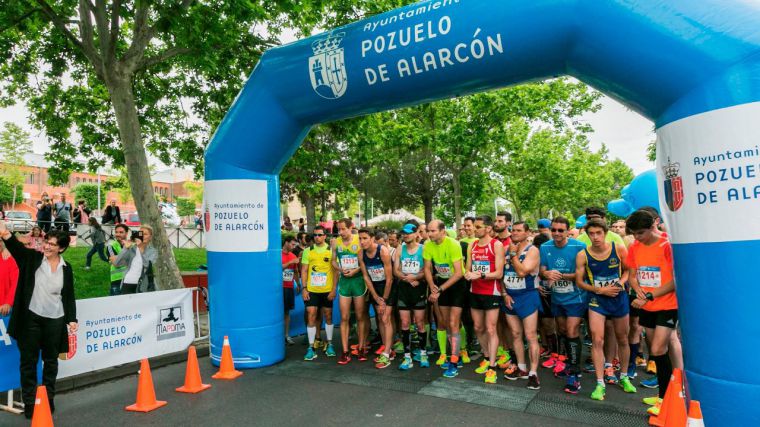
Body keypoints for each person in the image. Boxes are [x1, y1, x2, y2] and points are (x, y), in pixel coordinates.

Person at [0, 223, 77, 420]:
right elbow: (17, 249)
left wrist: (72, 319)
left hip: (55, 320)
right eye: (46, 242)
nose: (47, 246)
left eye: (52, 244)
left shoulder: (66, 268)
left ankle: (48, 400)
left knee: (50, 362)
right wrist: (6, 234)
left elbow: (68, 296)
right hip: (31, 319)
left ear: (61, 248)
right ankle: (29, 403)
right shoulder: (33, 259)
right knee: (28, 362)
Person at [575, 219, 637, 400]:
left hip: (618, 298)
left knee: (623, 339)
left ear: (605, 233)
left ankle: (624, 376)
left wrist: (620, 283)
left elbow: (628, 271)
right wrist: (599, 289)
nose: (595, 237)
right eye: (591, 234)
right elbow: (579, 281)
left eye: (598, 233)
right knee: (597, 339)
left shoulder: (618, 248)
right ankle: (600, 383)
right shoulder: (583, 255)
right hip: (597, 300)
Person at [625, 210, 679, 416]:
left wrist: (648, 295)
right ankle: (662, 395)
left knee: (657, 349)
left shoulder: (666, 245)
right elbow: (632, 275)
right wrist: (637, 289)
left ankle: (666, 398)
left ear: (652, 227)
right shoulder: (634, 246)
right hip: (646, 305)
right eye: (634, 233)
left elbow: (675, 281)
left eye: (640, 233)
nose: (637, 237)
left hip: (667, 305)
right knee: (653, 350)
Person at [540, 216, 587, 394]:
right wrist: (547, 274)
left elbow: (581, 275)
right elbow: (542, 271)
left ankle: (574, 374)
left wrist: (558, 275)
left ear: (568, 231)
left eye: (561, 230)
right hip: (557, 297)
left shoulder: (579, 247)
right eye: (554, 230)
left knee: (572, 330)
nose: (557, 233)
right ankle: (568, 361)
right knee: (562, 331)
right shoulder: (545, 247)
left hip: (576, 297)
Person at [463, 215, 505, 384]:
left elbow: (499, 273)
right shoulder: (472, 245)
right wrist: (468, 274)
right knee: (479, 327)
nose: (475, 229)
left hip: (491, 291)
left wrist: (479, 274)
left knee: (490, 328)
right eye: (475, 226)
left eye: (478, 226)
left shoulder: (497, 245)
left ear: (488, 228)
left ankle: (492, 367)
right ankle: (487, 357)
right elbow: (468, 268)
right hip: (475, 290)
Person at [502, 222, 542, 390]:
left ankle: (533, 373)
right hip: (510, 296)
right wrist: (504, 293)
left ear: (527, 232)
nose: (515, 233)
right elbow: (502, 274)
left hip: (527, 296)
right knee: (516, 334)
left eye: (519, 231)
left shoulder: (532, 250)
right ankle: (521, 368)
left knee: (530, 335)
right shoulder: (507, 249)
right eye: (513, 230)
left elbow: (522, 272)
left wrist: (513, 255)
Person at [424, 219, 465, 378]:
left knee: (454, 323)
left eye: (433, 231)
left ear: (442, 231)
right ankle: (457, 355)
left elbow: (458, 273)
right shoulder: (428, 245)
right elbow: (427, 268)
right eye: (428, 230)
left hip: (456, 284)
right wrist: (432, 285)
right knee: (447, 323)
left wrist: (439, 289)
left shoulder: (453, 244)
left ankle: (453, 362)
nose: (429, 233)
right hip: (440, 283)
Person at [394, 222, 430, 370]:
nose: (406, 235)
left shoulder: (423, 249)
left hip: (418, 288)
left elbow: (427, 269)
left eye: (409, 233)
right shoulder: (400, 248)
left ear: (416, 234)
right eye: (404, 233)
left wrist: (416, 277)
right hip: (404, 289)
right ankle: (407, 356)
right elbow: (396, 270)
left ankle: (422, 353)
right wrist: (407, 278)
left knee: (420, 322)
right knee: (404, 323)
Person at [359, 228, 395, 369]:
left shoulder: (383, 251)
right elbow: (366, 277)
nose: (362, 242)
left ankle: (386, 354)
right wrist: (375, 296)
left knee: (385, 318)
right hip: (375, 288)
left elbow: (390, 278)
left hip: (388, 287)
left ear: (372, 238)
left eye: (365, 238)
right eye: (360, 239)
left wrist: (383, 299)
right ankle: (387, 348)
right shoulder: (360, 254)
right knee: (380, 318)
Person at [332, 219, 367, 364]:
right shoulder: (335, 242)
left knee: (360, 316)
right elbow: (333, 261)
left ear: (350, 228)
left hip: (358, 281)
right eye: (338, 230)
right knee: (344, 317)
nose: (340, 232)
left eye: (343, 229)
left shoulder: (358, 241)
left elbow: (363, 262)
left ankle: (361, 348)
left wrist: (355, 271)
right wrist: (341, 269)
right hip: (345, 282)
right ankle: (345, 351)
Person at [300, 226, 336, 361]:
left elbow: (335, 271)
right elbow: (304, 270)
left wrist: (333, 289)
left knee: (328, 316)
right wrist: (304, 288)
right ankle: (311, 347)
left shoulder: (331, 250)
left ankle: (330, 343)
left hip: (327, 290)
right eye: (315, 235)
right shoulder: (308, 251)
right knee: (311, 314)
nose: (317, 237)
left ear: (325, 236)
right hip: (312, 290)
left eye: (320, 235)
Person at [113, 225, 158, 294]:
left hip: (142, 284)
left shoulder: (152, 251)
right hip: (127, 282)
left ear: (150, 237)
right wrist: (125, 248)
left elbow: (147, 265)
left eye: (145, 234)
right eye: (141, 233)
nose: (142, 236)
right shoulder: (132, 248)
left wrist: (140, 247)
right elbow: (117, 263)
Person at [282, 236, 300, 345]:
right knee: (277, 311)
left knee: (287, 312)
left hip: (289, 287)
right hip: (278, 288)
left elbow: (296, 271)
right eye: (292, 244)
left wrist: (298, 283)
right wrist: (290, 262)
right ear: (286, 243)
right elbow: (277, 268)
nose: (293, 247)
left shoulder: (293, 255)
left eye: (295, 245)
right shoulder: (277, 254)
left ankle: (286, 335)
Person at [106, 224, 129, 296]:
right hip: (117, 280)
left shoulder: (132, 245)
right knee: (115, 304)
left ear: (126, 233)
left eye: (121, 232)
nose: (118, 234)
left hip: (130, 279)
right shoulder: (111, 246)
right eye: (116, 232)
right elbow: (116, 263)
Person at [0, 239, 19, 316]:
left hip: (4, 310)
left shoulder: (9, 260)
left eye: (0, 241)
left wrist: (8, 302)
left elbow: (15, 283)